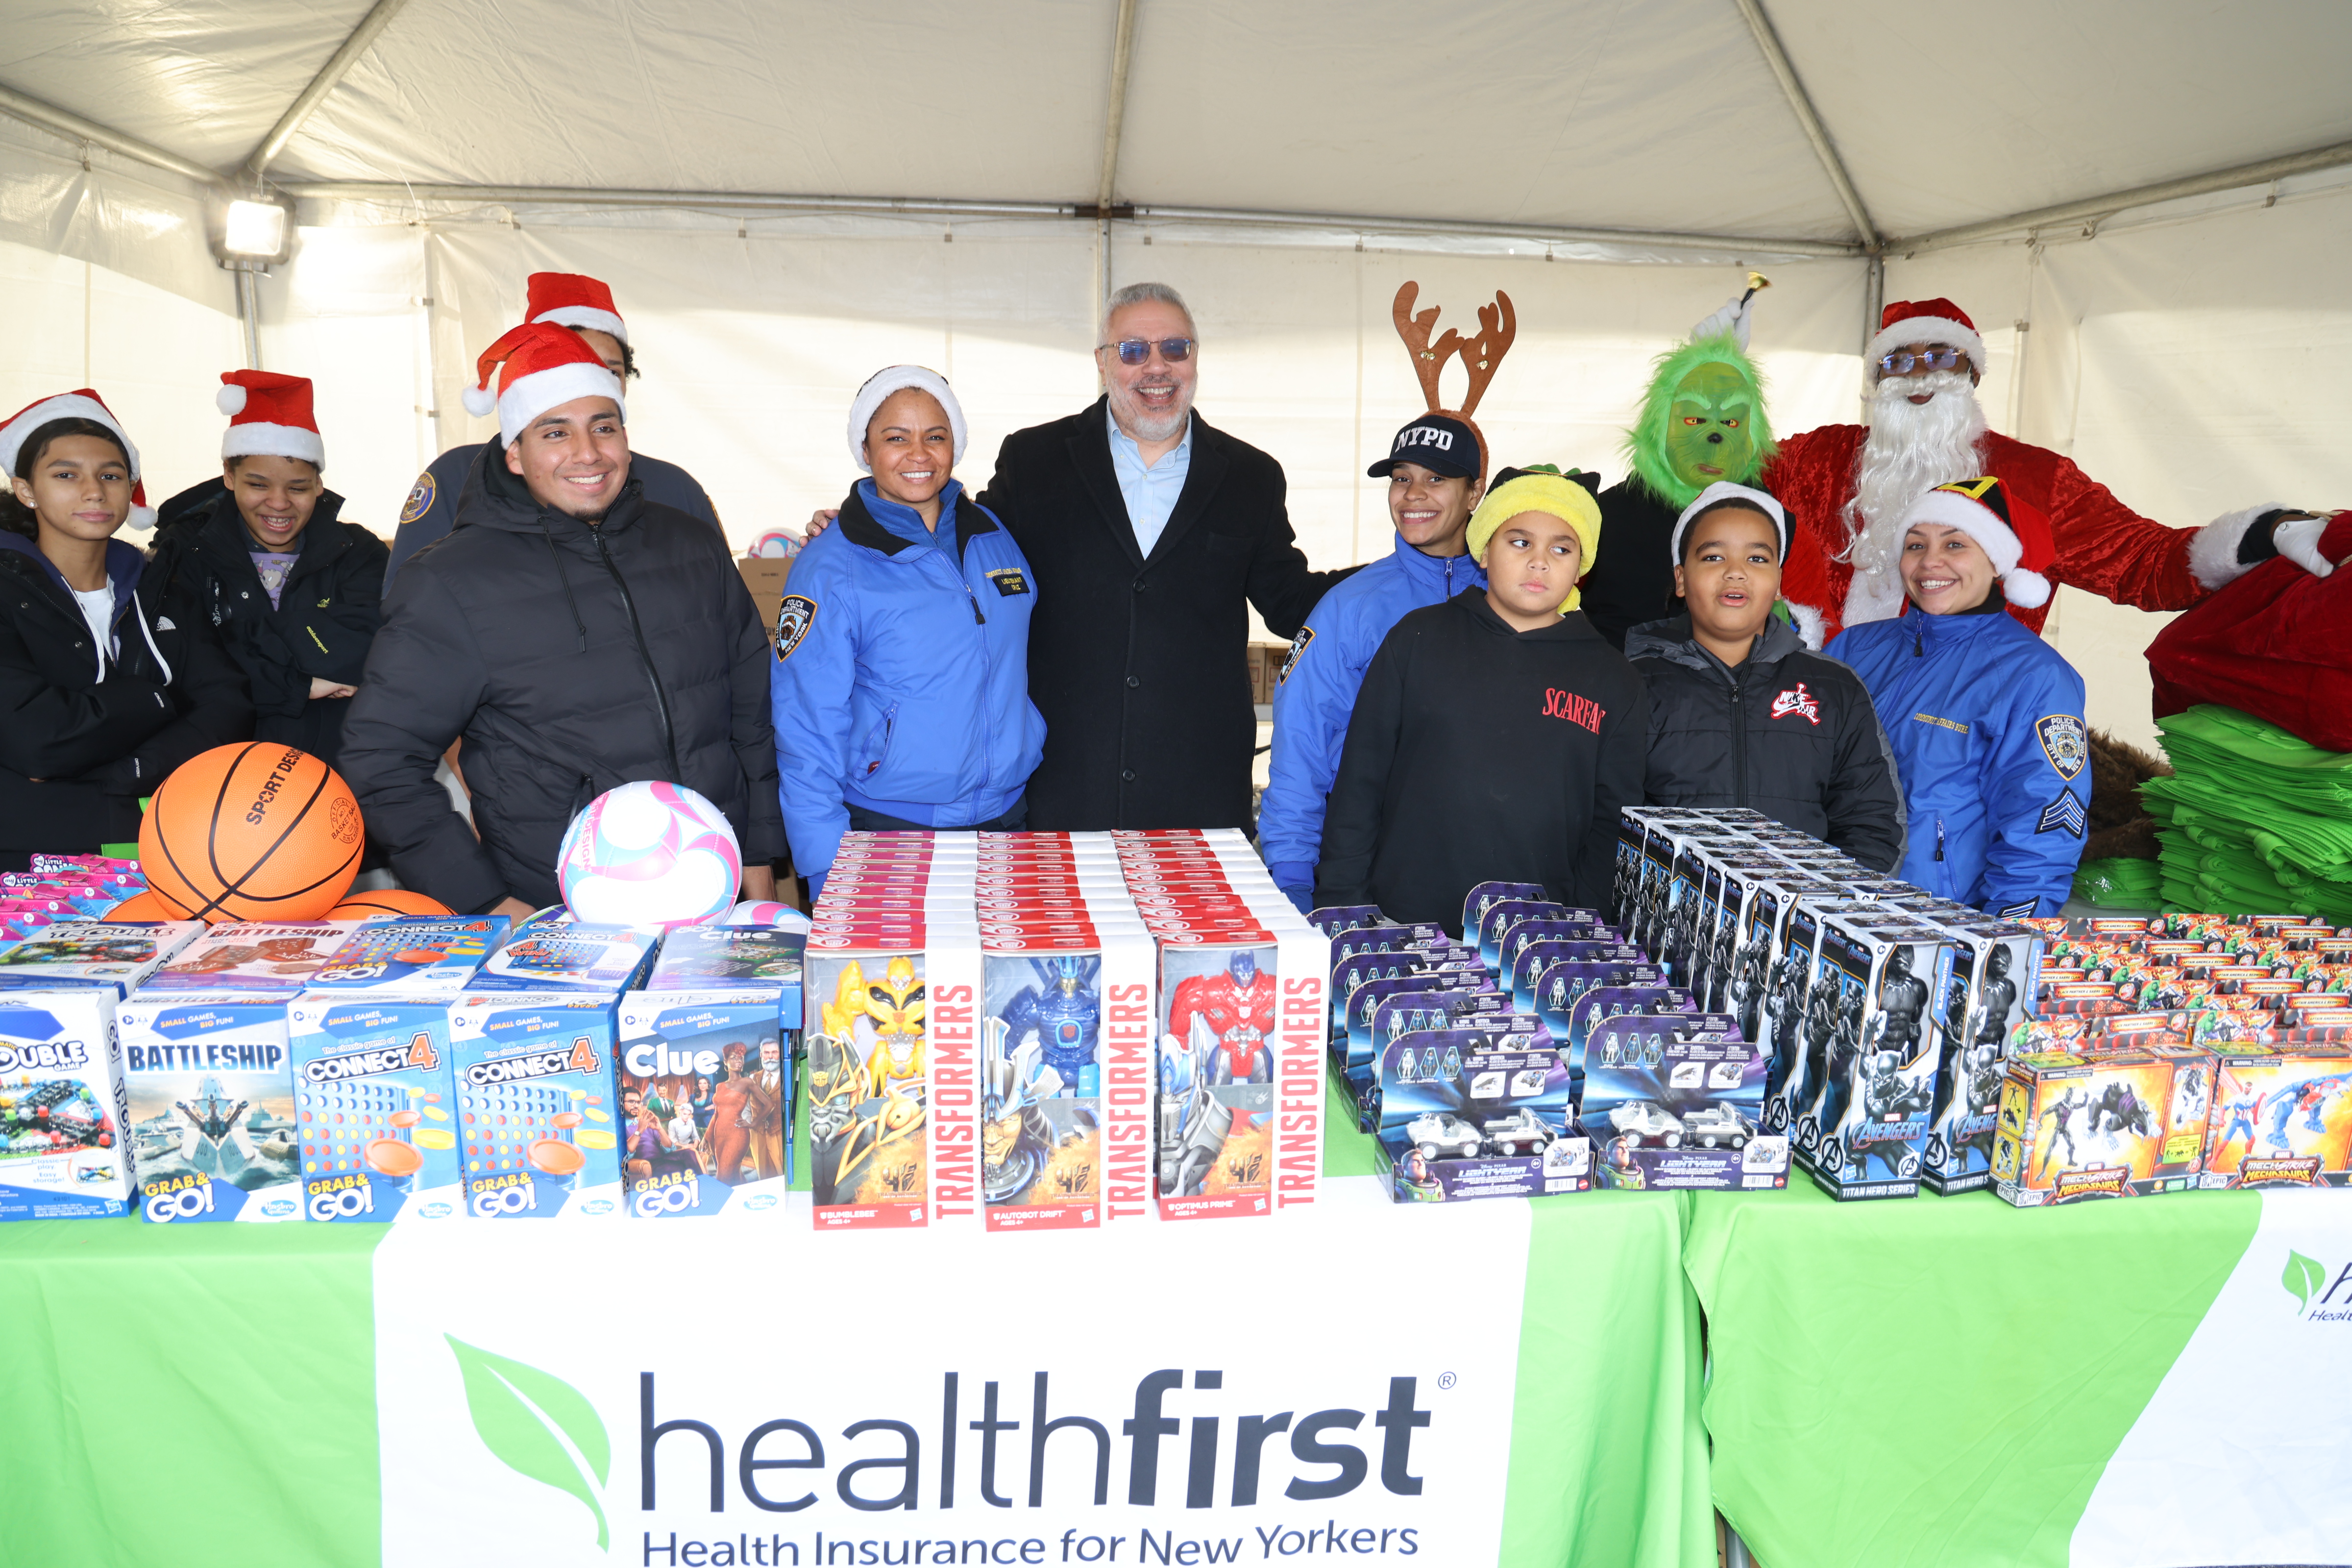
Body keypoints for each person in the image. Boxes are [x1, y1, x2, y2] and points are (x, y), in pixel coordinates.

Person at [339, 322, 781, 916]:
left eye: (604, 426)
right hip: (560, 910)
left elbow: (751, 717)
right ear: (515, 453)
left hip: (714, 887)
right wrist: (488, 902)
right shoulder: (451, 580)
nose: (588, 453)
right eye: (556, 432)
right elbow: (381, 757)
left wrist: (759, 859)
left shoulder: (692, 545)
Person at [976, 282, 1347, 829]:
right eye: (1133, 350)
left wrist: (1411, 570)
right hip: (1061, 781)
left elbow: (1291, 601)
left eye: (1175, 348)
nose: (1156, 367)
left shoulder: (1251, 476)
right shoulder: (1034, 460)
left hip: (1198, 787)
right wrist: (863, 527)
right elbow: (968, 557)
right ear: (1103, 363)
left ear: (1195, 359)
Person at [1766, 297, 2335, 644]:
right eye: (1898, 361)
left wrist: (2269, 531)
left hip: (1971, 722)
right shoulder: (1818, 457)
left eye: (1941, 357)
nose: (1920, 376)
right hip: (1813, 715)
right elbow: (1722, 482)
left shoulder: (2037, 478)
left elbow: (2144, 561)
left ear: (1972, 376)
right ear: (1876, 382)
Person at [1259, 281, 1510, 912]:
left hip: (1486, 882)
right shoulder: (1349, 606)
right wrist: (1291, 878)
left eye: (1436, 479)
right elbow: (1300, 756)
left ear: (1476, 491)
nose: (1413, 495)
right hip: (1366, 879)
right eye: (1401, 478)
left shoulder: (1514, 599)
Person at [1316, 466, 1648, 933]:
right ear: (1485, 549)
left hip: (1536, 945)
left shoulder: (1615, 680)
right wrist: (1343, 906)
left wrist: (1583, 931)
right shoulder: (1417, 639)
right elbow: (1359, 783)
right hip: (1398, 926)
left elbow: (1611, 829)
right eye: (1519, 542)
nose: (1540, 562)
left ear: (1582, 565)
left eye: (1561, 548)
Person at [770, 366, 1044, 897]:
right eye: (896, 438)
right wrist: (827, 869)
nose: (918, 453)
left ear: (955, 446)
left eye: (935, 436)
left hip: (1006, 820)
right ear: (866, 450)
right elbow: (805, 729)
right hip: (891, 833)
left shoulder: (993, 535)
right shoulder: (831, 564)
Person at [0, 391, 251, 872]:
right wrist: (157, 698)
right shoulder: (8, 593)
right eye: (66, 474)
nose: (94, 490)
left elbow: (228, 707)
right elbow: (39, 738)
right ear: (27, 489)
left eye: (111, 475)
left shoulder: (160, 589)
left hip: (163, 849)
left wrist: (133, 767)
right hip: (30, 862)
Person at [1827, 477, 2088, 917]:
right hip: (1827, 905)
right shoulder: (1852, 648)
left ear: (1995, 561)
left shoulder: (2034, 676)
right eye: (1915, 545)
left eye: (1954, 545)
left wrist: (2004, 944)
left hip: (1936, 923)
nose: (1930, 563)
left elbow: (2045, 827)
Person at [1625, 481, 1904, 869]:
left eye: (1757, 559)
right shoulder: (1629, 684)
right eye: (1712, 558)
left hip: (1799, 923)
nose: (1735, 573)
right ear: (1681, 579)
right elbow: (1601, 821)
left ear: (1778, 581)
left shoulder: (1834, 688)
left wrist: (1821, 917)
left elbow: (1874, 824)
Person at [383, 272, 722, 590]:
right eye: (568, 369)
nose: (590, 387)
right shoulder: (456, 479)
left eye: (610, 373)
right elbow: (407, 609)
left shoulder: (676, 490)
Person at [146, 371, 386, 774]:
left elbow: (364, 653)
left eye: (298, 487)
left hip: (344, 770)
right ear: (228, 476)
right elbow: (187, 670)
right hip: (225, 775)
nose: (279, 504)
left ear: (319, 485)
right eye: (258, 484)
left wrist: (245, 642)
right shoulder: (188, 551)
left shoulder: (357, 551)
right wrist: (301, 684)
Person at [1578, 295, 1781, 648]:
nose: (1713, 438)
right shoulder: (1602, 517)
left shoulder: (1769, 520)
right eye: (1694, 419)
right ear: (1658, 424)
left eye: (1732, 421)